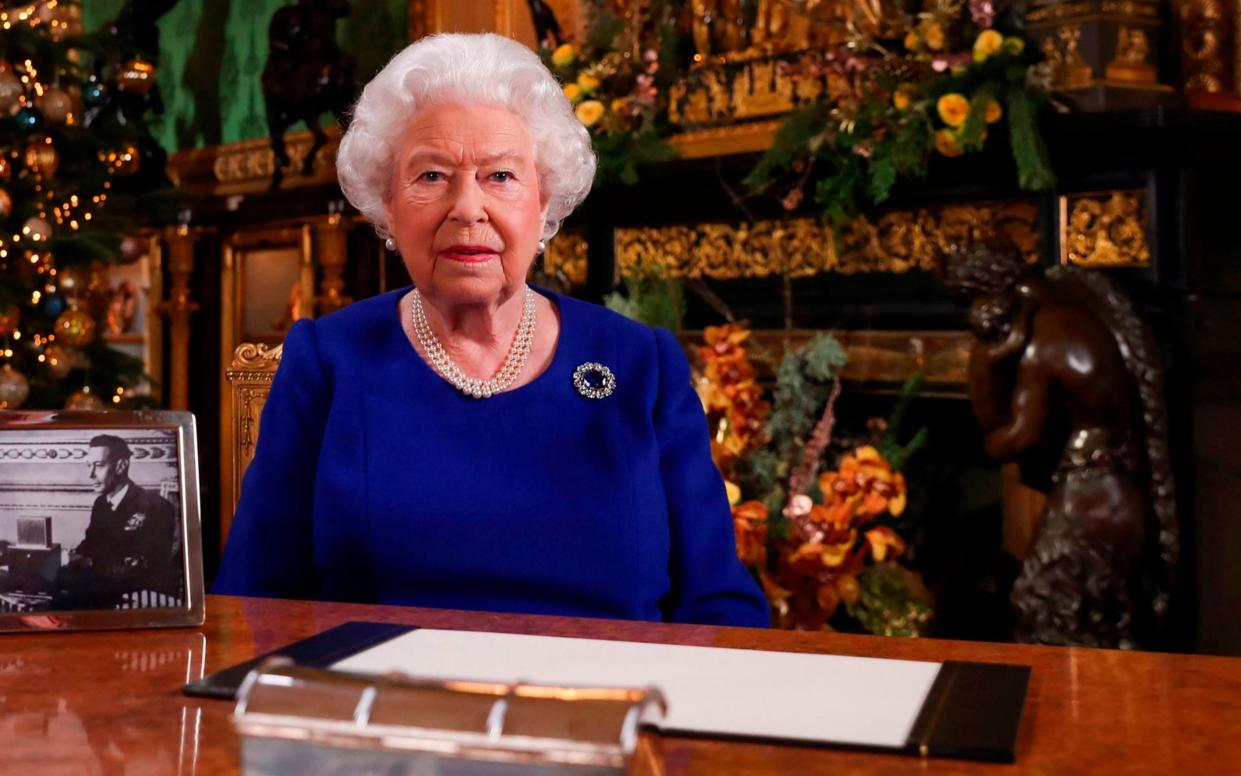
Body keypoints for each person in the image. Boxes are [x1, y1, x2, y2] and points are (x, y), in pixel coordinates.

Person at [213, 33, 769, 627]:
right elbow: (254, 600)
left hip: (607, 708)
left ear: (544, 199)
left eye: (500, 175)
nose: (468, 208)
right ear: (387, 205)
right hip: (385, 706)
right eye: (431, 176)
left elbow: (718, 601)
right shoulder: (328, 362)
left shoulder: (640, 364)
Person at [62, 434, 182, 606]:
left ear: (121, 466)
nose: (90, 474)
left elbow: (144, 566)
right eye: (89, 466)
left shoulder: (155, 507)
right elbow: (90, 544)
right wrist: (71, 557)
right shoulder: (101, 503)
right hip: (102, 588)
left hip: (138, 598)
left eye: (99, 466)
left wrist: (88, 562)